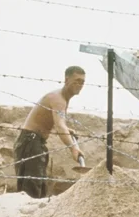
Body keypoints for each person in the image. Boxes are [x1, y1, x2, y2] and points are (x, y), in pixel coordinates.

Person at [14, 65, 86, 198]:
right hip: (30, 142)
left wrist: (67, 129)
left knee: (39, 184)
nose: (80, 84)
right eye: (76, 80)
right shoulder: (58, 99)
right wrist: (73, 149)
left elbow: (56, 121)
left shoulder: (63, 99)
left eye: (82, 82)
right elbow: (60, 126)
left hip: (35, 142)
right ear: (66, 80)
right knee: (31, 188)